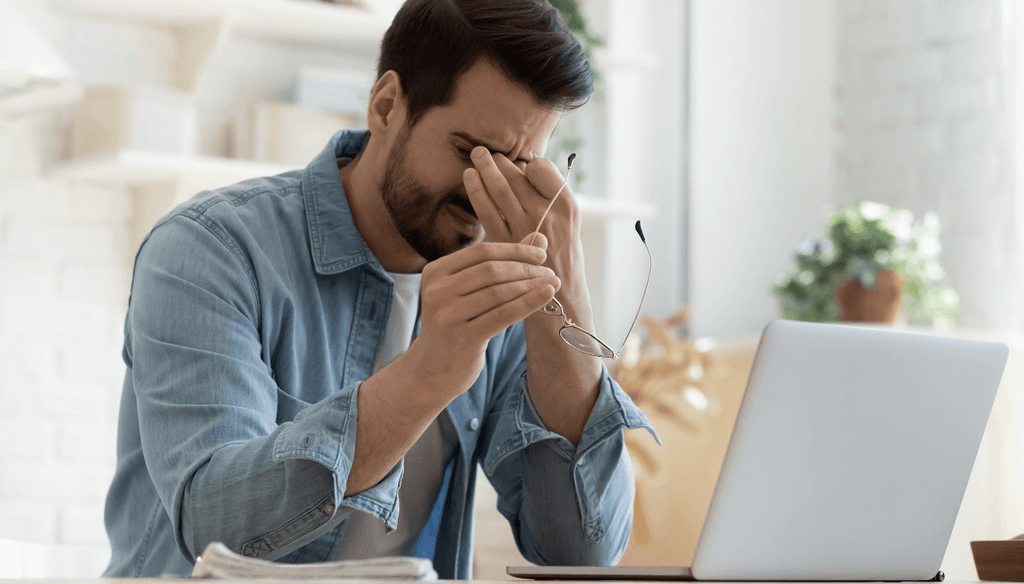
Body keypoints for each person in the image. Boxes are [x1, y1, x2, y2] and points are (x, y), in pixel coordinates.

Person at [102, 0, 656, 578]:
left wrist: (566, 300)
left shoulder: (507, 289)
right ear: (386, 105)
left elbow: (580, 551)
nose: (486, 191)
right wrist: (430, 371)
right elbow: (214, 527)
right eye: (471, 153)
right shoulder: (210, 249)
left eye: (520, 166)